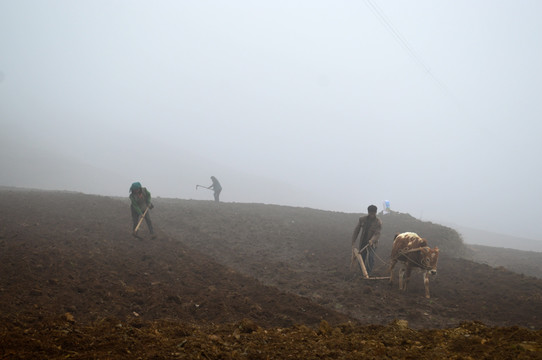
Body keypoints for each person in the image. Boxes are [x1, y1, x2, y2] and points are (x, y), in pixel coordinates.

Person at [351, 204, 382, 275]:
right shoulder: (362, 219)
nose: (372, 215)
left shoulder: (378, 222)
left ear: (375, 213)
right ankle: (362, 271)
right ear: (368, 212)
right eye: (370, 213)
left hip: (373, 244)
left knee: (370, 257)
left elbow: (377, 234)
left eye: (373, 213)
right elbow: (357, 230)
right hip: (363, 242)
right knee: (361, 257)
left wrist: (372, 240)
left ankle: (368, 272)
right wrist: (353, 241)